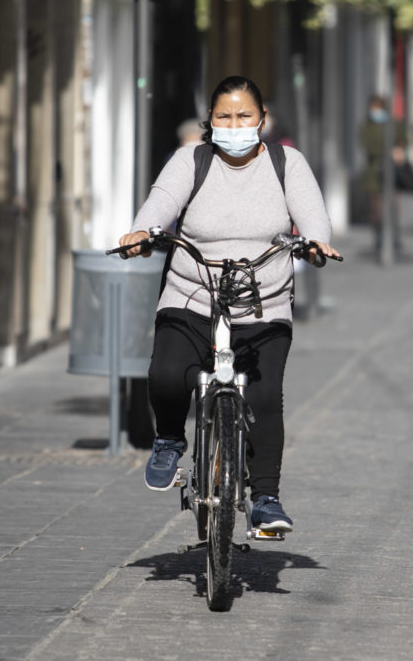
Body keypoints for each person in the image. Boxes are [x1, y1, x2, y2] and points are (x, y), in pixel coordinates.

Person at [117, 76, 340, 532]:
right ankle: (168, 441)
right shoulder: (190, 160)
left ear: (261, 120)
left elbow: (312, 214)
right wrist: (142, 231)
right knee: (166, 373)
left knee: (263, 396)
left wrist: (316, 242)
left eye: (244, 116)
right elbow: (160, 204)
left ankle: (266, 499)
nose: (234, 124)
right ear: (210, 121)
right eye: (224, 116)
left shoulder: (286, 163)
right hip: (192, 290)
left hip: (265, 300)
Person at [359, 95, 407, 257]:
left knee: (393, 207)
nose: (376, 111)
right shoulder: (367, 126)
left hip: (392, 171)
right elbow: (368, 146)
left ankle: (395, 239)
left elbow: (403, 140)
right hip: (375, 172)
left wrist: (399, 150)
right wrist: (389, 151)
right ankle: (379, 240)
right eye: (374, 108)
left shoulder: (394, 125)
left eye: (378, 108)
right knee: (377, 210)